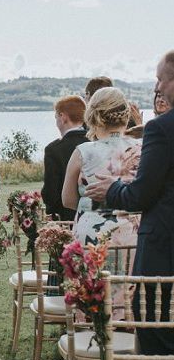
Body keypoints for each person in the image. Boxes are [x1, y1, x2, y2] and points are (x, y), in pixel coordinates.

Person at [86, 53, 174, 360]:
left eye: (160, 79)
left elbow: (141, 193)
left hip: (164, 252)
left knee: (157, 342)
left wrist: (111, 191)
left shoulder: (162, 130)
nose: (156, 87)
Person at [61, 87, 141, 248]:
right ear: (126, 116)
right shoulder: (142, 149)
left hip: (91, 238)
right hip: (133, 236)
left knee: (91, 273)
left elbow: (68, 200)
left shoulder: (83, 152)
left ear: (91, 116)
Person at [41, 96, 87, 222]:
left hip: (66, 218)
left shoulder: (53, 149)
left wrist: (51, 211)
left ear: (63, 117)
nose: (56, 122)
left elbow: (51, 191)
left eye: (56, 117)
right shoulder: (94, 141)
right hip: (93, 212)